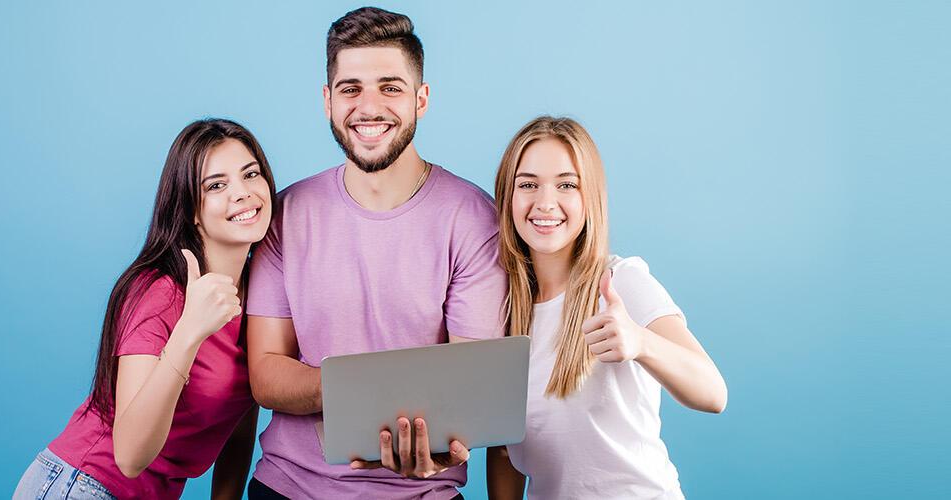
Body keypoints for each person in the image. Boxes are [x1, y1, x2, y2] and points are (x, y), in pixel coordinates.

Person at [245, 7, 509, 500]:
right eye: (350, 89)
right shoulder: (285, 213)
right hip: (289, 486)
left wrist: (365, 397)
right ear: (327, 101)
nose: (369, 107)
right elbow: (264, 371)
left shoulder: (474, 219)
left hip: (423, 492)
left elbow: (467, 386)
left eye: (390, 87)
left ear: (421, 99)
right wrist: (364, 395)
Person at [13, 119, 276, 500]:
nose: (242, 193)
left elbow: (240, 416)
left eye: (250, 174)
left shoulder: (259, 296)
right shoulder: (159, 291)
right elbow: (130, 456)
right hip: (82, 486)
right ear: (191, 211)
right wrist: (189, 332)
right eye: (216, 185)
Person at [482, 116, 728, 500]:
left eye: (567, 185)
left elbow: (713, 393)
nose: (545, 202)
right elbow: (502, 447)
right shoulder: (501, 308)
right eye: (528, 184)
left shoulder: (620, 281)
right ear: (507, 197)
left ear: (589, 198)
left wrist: (641, 342)